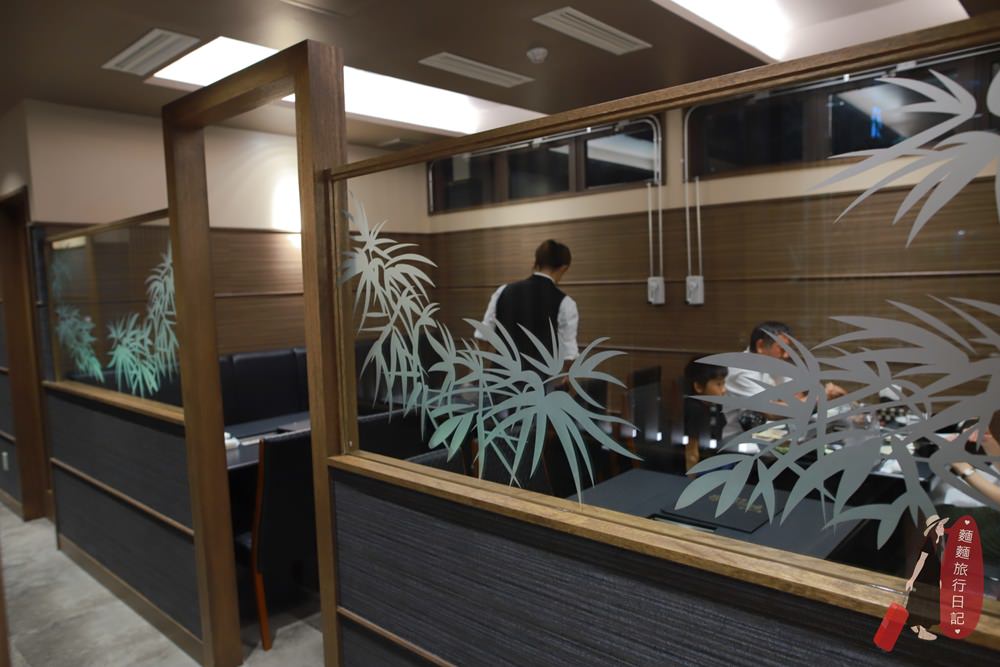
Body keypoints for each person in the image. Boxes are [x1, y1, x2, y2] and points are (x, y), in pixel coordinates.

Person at [723, 321, 846, 436]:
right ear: (760, 345)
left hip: (772, 436)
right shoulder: (741, 369)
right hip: (740, 442)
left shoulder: (773, 364)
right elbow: (771, 411)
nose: (786, 355)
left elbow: (795, 396)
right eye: (782, 349)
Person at [475, 239, 579, 367]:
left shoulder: (503, 291)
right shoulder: (565, 303)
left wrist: (477, 372)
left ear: (537, 262)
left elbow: (483, 337)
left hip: (500, 376)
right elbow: (568, 355)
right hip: (540, 378)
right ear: (563, 268)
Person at [904, 515, 949, 641]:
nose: (942, 527)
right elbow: (921, 561)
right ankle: (922, 631)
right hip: (925, 578)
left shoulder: (939, 542)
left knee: (927, 602)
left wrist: (940, 581)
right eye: (940, 525)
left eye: (942, 525)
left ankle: (914, 625)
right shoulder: (929, 542)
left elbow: (939, 564)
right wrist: (912, 579)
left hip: (933, 578)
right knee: (923, 603)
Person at [683, 358, 728, 442]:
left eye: (724, 383)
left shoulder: (717, 405)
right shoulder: (693, 408)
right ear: (699, 387)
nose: (724, 390)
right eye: (719, 384)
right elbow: (693, 442)